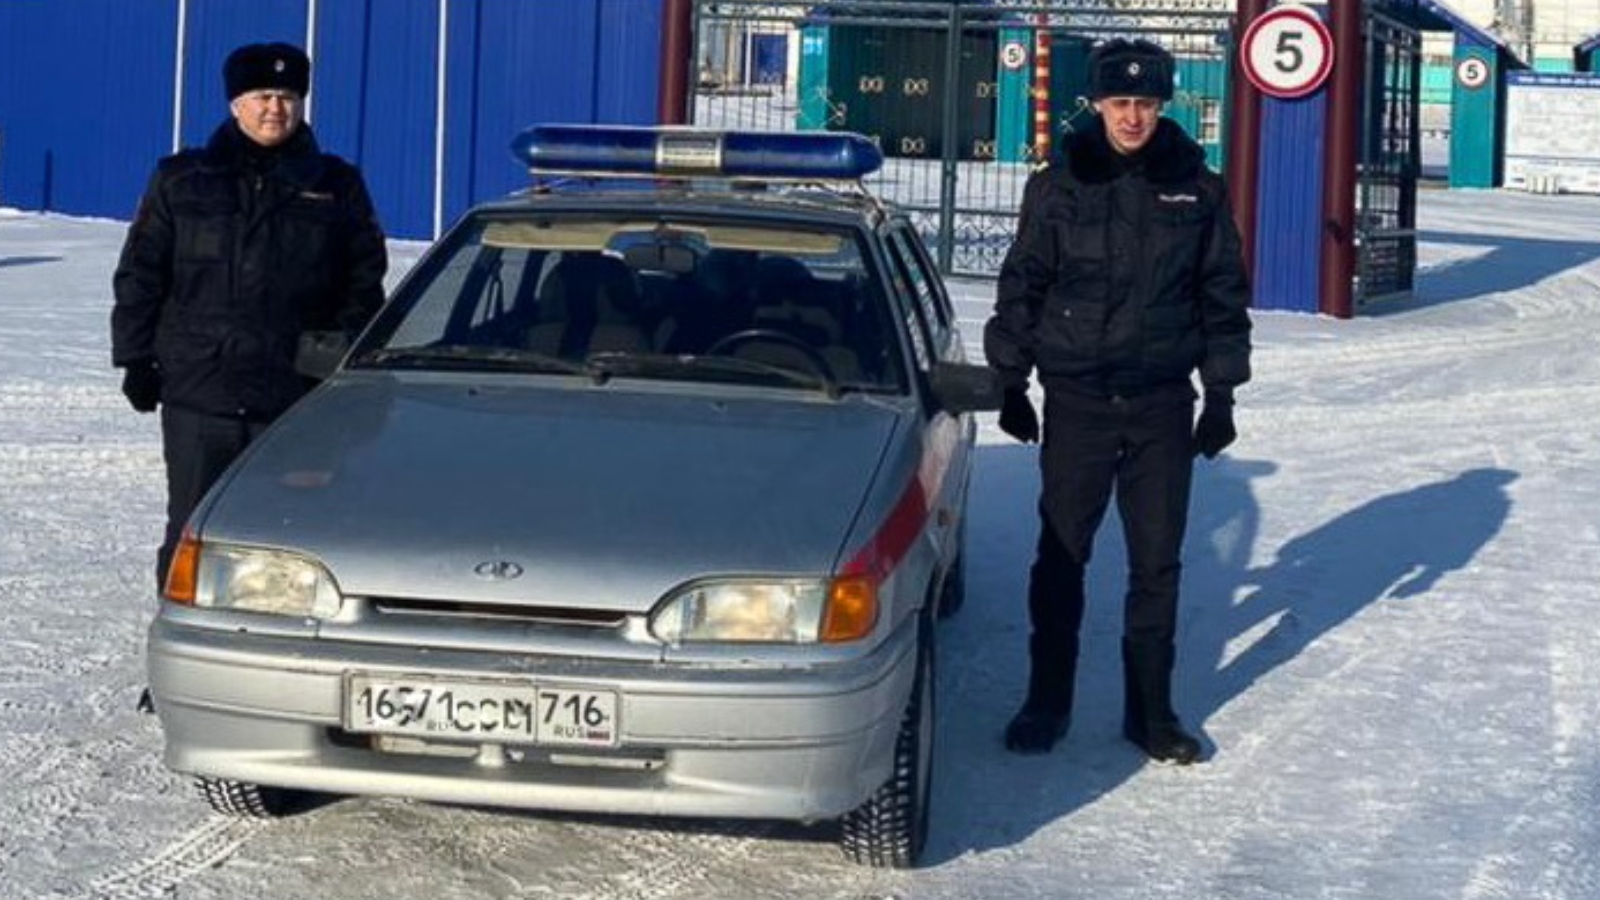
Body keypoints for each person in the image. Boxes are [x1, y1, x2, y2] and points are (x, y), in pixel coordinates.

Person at [984, 38, 1252, 763]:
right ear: (1099, 104)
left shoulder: (1196, 189)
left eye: (1146, 103)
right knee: (1061, 554)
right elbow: (1024, 283)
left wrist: (1221, 394)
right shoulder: (1059, 184)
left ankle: (1151, 712)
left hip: (1161, 401)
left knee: (1156, 562)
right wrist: (1010, 381)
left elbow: (1222, 294)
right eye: (1121, 102)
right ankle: (1047, 701)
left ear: (1163, 106)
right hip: (1079, 399)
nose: (1133, 117)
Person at [111, 42, 387, 593]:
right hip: (201, 391)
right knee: (195, 528)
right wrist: (135, 359)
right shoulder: (182, 179)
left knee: (291, 536)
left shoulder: (336, 185)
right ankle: (184, 631)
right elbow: (141, 275)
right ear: (235, 104)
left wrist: (332, 362)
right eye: (262, 96)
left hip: (297, 400)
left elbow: (364, 283)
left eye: (287, 97)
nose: (275, 109)